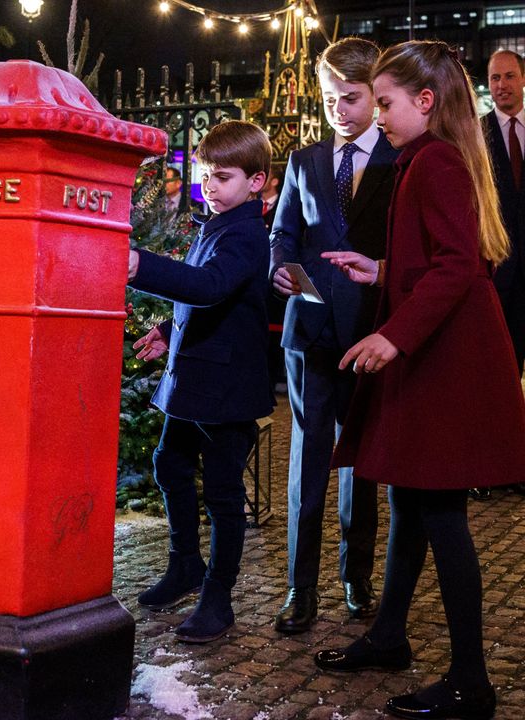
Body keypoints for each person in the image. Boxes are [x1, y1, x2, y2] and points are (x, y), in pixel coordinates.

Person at [314, 40, 525, 720]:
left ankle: (470, 681)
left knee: (440, 513)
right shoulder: (432, 158)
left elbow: (458, 266)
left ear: (425, 102)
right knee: (412, 502)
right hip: (441, 353)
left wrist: (390, 333)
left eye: (384, 103)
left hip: (442, 359)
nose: (378, 115)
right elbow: (445, 257)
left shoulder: (432, 160)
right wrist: (378, 271)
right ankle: (388, 636)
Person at [126, 120, 274, 643]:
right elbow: (215, 299)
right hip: (194, 377)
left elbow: (211, 286)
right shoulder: (217, 223)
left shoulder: (249, 234)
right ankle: (185, 563)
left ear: (256, 182)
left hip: (227, 387)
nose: (210, 186)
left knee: (223, 494)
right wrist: (169, 328)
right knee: (169, 463)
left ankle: (218, 596)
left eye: (224, 177)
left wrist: (139, 263)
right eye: (205, 175)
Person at [268, 37, 395, 635]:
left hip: (371, 331)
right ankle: (300, 586)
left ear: (376, 96)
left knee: (361, 461)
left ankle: (356, 575)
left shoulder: (402, 161)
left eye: (349, 98)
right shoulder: (304, 161)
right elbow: (284, 236)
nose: (336, 110)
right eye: (327, 99)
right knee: (306, 460)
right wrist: (280, 269)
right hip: (310, 331)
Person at [484, 49, 525, 378]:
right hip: (498, 268)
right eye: (495, 78)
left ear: (523, 79)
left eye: (509, 76)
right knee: (502, 368)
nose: (501, 84)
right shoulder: (475, 134)